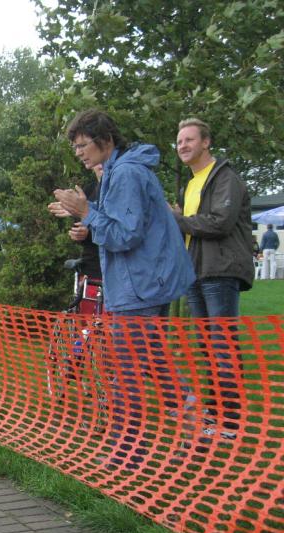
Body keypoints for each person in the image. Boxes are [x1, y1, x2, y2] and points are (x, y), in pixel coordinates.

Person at [56, 109, 195, 469]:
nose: (79, 153)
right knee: (156, 362)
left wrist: (86, 212)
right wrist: (86, 210)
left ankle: (127, 452)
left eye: (82, 145)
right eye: (75, 148)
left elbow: (124, 235)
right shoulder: (120, 171)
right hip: (142, 283)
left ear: (105, 140)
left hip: (139, 287)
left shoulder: (126, 173)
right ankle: (194, 427)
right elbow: (122, 220)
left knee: (126, 370)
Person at [173, 118, 254, 317]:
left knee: (221, 336)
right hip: (193, 272)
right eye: (179, 142)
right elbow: (187, 230)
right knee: (203, 336)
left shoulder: (225, 178)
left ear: (206, 142)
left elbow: (220, 223)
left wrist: (175, 219)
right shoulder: (189, 186)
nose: (182, 146)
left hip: (219, 270)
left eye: (189, 140)